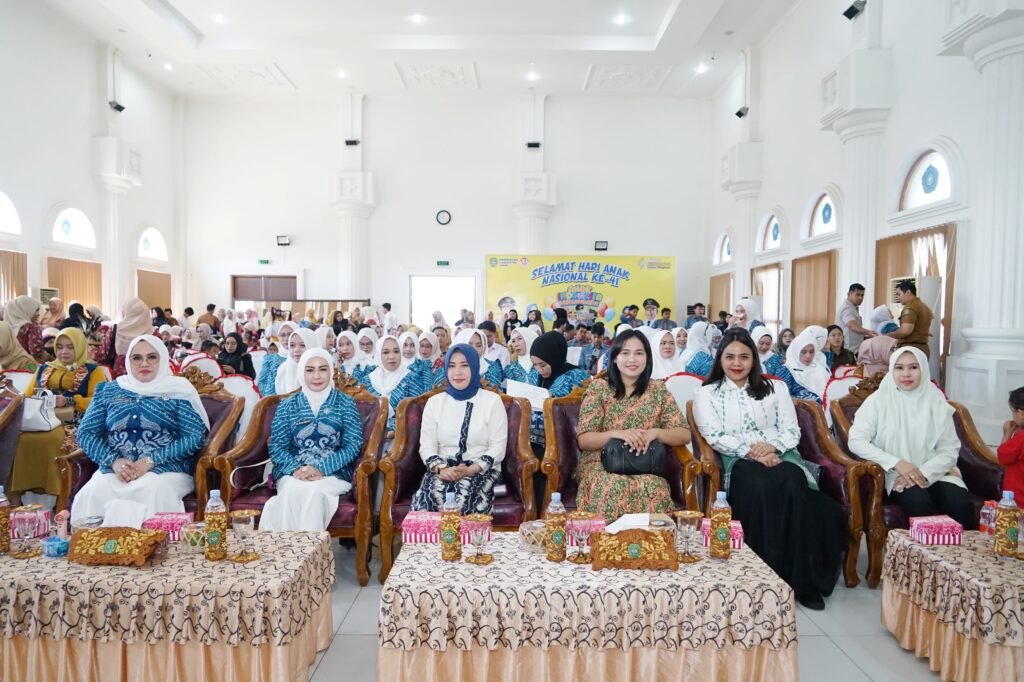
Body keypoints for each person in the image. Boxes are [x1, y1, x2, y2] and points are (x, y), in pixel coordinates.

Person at [693, 328, 846, 610]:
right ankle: (762, 579)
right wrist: (751, 451)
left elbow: (791, 430)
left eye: (744, 356)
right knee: (759, 486)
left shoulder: (776, 388)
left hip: (780, 453)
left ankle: (801, 580)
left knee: (792, 482)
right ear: (720, 359)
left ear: (754, 359)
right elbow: (713, 435)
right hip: (737, 458)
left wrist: (771, 448)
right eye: (729, 357)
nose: (736, 363)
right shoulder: (707, 393)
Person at [71, 335, 210, 522]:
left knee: (151, 489)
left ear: (163, 359)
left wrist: (151, 460)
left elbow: (194, 437)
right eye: (137, 358)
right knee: (94, 491)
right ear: (128, 361)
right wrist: (114, 461)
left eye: (152, 357)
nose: (144, 363)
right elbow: (86, 433)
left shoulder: (178, 391)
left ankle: (152, 541)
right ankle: (98, 541)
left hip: (166, 469)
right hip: (116, 469)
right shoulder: (109, 390)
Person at [848, 347, 976, 529]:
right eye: (899, 367)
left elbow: (949, 449)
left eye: (913, 367)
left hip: (937, 470)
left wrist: (923, 472)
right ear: (891, 369)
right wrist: (897, 463)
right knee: (917, 502)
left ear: (923, 369)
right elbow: (856, 441)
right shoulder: (878, 400)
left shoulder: (936, 401)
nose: (906, 374)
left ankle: (962, 549)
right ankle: (921, 549)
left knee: (958, 502)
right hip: (898, 473)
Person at [575, 329, 691, 521]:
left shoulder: (658, 390)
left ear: (647, 357)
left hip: (645, 465)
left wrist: (656, 433)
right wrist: (618, 434)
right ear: (614, 358)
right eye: (625, 353)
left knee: (654, 487)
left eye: (639, 353)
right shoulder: (599, 388)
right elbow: (584, 440)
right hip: (600, 464)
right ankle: (608, 540)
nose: (632, 359)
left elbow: (684, 434)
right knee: (612, 486)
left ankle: (650, 540)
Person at [261, 348, 364, 531]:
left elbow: (353, 445)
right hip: (293, 472)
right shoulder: (288, 404)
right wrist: (296, 469)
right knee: (291, 490)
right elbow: (277, 446)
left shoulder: (345, 403)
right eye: (310, 370)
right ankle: (288, 547)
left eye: (323, 369)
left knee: (314, 492)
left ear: (331, 371)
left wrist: (322, 468)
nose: (316, 376)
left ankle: (310, 548)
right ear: (302, 372)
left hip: (334, 473)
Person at [7, 328, 107, 501]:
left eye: (70, 347)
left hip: (76, 422)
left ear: (80, 347)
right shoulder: (45, 368)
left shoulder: (93, 371)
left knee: (52, 440)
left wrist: (70, 401)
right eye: (59, 347)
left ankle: (57, 496)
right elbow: (28, 395)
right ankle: (21, 497)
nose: (64, 351)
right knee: (22, 439)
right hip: (41, 420)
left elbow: (100, 401)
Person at [410, 344, 508, 514]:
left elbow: (498, 447)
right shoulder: (435, 403)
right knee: (428, 501)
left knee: (465, 502)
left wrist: (471, 469)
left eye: (464, 365)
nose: (457, 372)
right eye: (451, 366)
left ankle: (470, 533)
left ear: (475, 367)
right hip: (442, 469)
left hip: (481, 470)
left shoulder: (492, 401)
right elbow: (427, 446)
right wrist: (441, 468)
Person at [365, 336, 430, 436]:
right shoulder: (368, 380)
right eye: (386, 352)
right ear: (378, 355)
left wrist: (396, 429)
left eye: (396, 351)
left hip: (402, 437)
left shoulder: (411, 378)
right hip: (369, 434)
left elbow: (418, 413)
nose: (392, 356)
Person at [750, 326, 819, 401]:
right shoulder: (748, 358)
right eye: (761, 343)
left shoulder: (777, 358)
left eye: (768, 344)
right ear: (754, 341)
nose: (764, 347)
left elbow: (782, 387)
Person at [99, 298, 154, 378]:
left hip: (120, 374)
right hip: (147, 374)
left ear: (124, 312)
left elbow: (103, 354)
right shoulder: (154, 332)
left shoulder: (115, 329)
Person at [887, 280, 934, 358]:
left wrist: (887, 335)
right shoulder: (923, 306)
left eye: (899, 294)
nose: (898, 298)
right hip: (923, 348)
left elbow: (905, 331)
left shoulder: (910, 307)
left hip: (911, 349)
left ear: (908, 292)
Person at [785, 327, 829, 403]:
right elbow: (783, 398)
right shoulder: (786, 370)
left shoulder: (819, 369)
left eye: (811, 352)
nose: (808, 356)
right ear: (796, 351)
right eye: (803, 352)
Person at [256, 321, 296, 396]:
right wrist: (268, 398)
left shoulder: (302, 358)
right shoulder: (270, 358)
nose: (286, 338)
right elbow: (262, 382)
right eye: (282, 335)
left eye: (290, 334)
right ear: (278, 337)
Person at [998, 387, 1024, 503]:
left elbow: (1003, 457)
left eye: (1013, 411)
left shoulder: (1020, 438)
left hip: (1018, 502)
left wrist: (1007, 434)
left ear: (1020, 413)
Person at [274, 329, 317, 396]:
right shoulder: (283, 369)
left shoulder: (322, 370)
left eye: (302, 345)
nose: (296, 350)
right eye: (292, 345)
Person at [836, 284, 876, 355]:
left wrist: (866, 337)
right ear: (849, 294)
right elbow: (852, 326)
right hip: (850, 350)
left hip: (855, 348)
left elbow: (853, 332)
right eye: (857, 295)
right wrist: (869, 332)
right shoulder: (847, 308)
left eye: (862, 295)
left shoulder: (853, 308)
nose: (860, 298)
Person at [5, 295, 46, 362]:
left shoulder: (8, 328)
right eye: (35, 311)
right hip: (30, 365)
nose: (38, 314)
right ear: (25, 310)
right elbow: (37, 352)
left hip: (11, 365)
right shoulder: (32, 327)